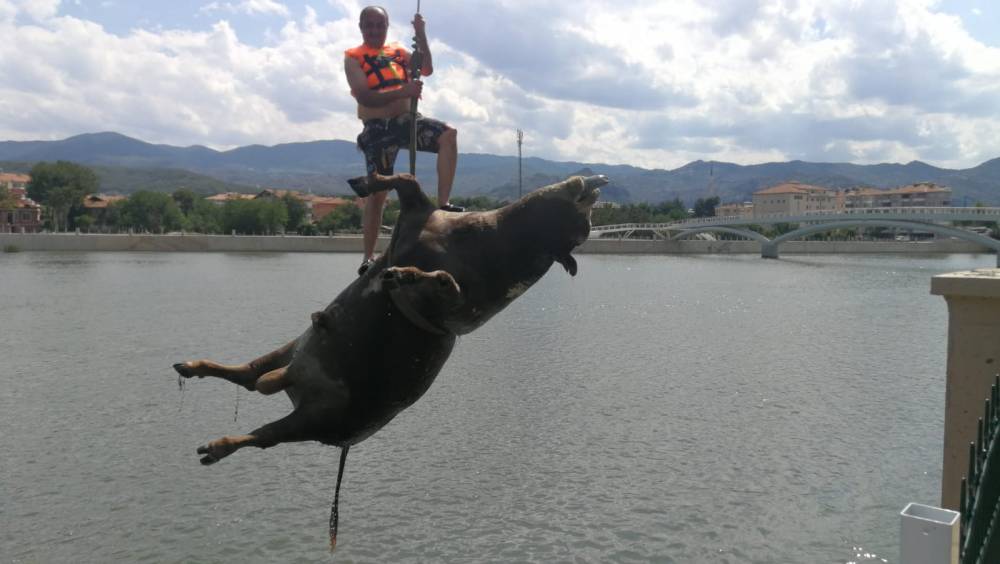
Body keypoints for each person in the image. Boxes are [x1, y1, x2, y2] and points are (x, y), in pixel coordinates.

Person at [344, 5, 462, 276]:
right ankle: (368, 256)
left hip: (406, 123)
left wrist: (421, 35)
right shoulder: (353, 59)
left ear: (386, 26)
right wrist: (404, 89)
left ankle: (443, 203)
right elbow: (364, 96)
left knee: (449, 135)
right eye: (369, 25)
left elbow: (427, 67)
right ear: (362, 27)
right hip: (378, 128)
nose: (374, 30)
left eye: (379, 25)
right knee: (379, 193)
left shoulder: (398, 53)